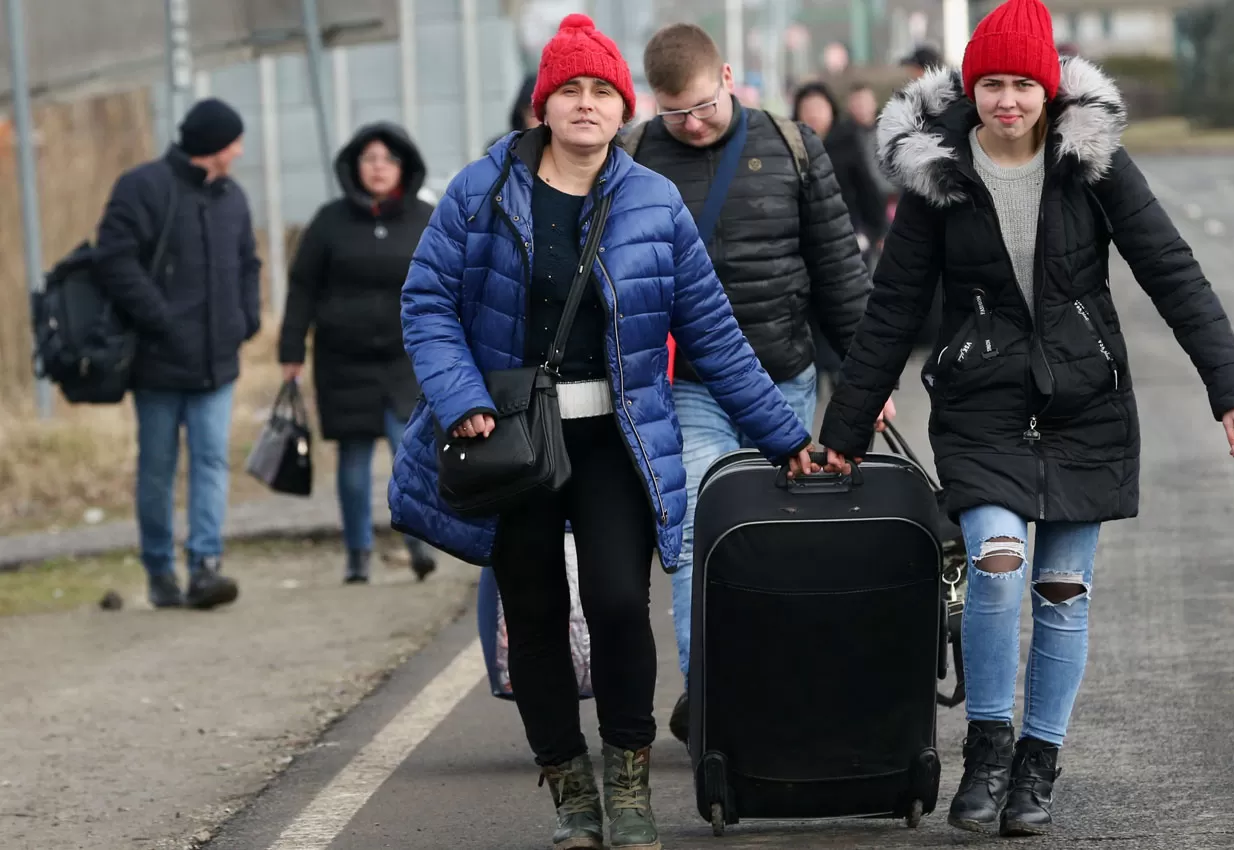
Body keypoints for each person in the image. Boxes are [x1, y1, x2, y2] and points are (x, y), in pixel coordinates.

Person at [820, 0, 1234, 836]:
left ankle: (1037, 763)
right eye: (992, 84)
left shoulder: (1091, 166)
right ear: (972, 89)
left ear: (1050, 90)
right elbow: (892, 309)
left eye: (1024, 85)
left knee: (1062, 589)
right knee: (995, 561)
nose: (1008, 102)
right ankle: (988, 745)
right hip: (982, 405)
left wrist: (1230, 390)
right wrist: (843, 433)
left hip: (1084, 405)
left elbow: (1172, 270)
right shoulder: (938, 176)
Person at [387, 15, 816, 850]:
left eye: (602, 92)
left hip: (617, 439)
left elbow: (714, 335)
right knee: (536, 611)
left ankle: (627, 780)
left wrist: (784, 438)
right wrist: (460, 395)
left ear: (625, 108)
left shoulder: (653, 202)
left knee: (620, 604)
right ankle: (568, 789)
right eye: (570, 90)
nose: (586, 105)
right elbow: (427, 303)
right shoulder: (482, 190)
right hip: (510, 441)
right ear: (544, 104)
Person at [627, 22, 892, 744]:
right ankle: (713, 697)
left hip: (784, 379)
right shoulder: (633, 158)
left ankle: (776, 689)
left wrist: (869, 382)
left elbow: (839, 270)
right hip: (684, 387)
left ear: (729, 77)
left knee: (780, 542)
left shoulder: (791, 146)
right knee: (694, 534)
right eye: (674, 112)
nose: (691, 123)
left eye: (704, 105)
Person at [94, 97, 261, 611]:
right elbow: (114, 260)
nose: (238, 150)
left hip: (217, 362)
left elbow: (247, 262)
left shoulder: (232, 196)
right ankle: (160, 570)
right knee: (158, 469)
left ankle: (205, 566)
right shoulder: (142, 187)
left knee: (211, 462)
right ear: (213, 146)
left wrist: (246, 319)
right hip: (158, 362)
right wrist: (161, 321)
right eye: (233, 141)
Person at [278, 122, 439, 584]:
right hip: (342, 360)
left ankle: (419, 543)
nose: (378, 168)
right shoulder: (329, 221)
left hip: (405, 358)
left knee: (408, 451)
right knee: (352, 459)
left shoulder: (425, 218)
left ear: (403, 166)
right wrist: (291, 348)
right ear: (354, 167)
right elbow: (302, 287)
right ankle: (357, 554)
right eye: (369, 159)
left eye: (387, 159)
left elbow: (451, 282)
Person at [790, 81, 887, 248]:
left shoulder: (846, 142)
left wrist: (875, 231)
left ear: (831, 110)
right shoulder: (790, 148)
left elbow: (867, 189)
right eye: (807, 109)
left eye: (819, 108)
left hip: (848, 233)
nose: (814, 115)